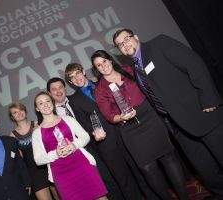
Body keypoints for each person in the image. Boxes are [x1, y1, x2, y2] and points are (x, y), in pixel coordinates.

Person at [113, 28, 223, 200]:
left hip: (202, 112)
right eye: (120, 45)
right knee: (204, 167)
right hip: (178, 125)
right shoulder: (135, 68)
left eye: (126, 39)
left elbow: (194, 64)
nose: (124, 45)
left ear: (136, 37)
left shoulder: (159, 44)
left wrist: (209, 99)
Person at [91, 50, 189, 200]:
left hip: (150, 118)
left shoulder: (128, 70)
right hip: (130, 129)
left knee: (169, 157)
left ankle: (184, 197)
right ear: (96, 69)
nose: (103, 66)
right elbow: (108, 114)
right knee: (147, 168)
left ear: (110, 60)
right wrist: (120, 117)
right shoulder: (100, 89)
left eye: (104, 61)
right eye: (99, 65)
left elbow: (148, 87)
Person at [64, 62, 161, 200]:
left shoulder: (102, 84)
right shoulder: (74, 100)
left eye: (78, 73)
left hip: (125, 131)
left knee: (140, 169)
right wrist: (94, 132)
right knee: (123, 178)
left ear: (83, 72)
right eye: (72, 77)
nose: (77, 78)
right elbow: (83, 123)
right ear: (70, 82)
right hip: (105, 143)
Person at [46, 77, 124, 200]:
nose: (58, 91)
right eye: (54, 89)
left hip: (95, 146)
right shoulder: (50, 115)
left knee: (108, 179)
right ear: (49, 94)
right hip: (74, 155)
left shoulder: (77, 100)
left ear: (65, 89)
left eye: (61, 87)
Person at [32, 91, 108, 200]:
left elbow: (85, 136)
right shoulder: (37, 133)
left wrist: (74, 145)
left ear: (52, 103)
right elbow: (38, 159)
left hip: (82, 165)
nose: (45, 104)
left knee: (101, 198)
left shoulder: (68, 119)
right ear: (37, 109)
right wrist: (55, 154)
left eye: (48, 101)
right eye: (40, 103)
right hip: (61, 174)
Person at [8, 102, 58, 200]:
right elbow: (20, 159)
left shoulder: (38, 123)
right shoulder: (12, 136)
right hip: (33, 173)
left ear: (25, 111)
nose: (19, 113)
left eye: (20, 110)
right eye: (15, 112)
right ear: (12, 117)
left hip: (49, 166)